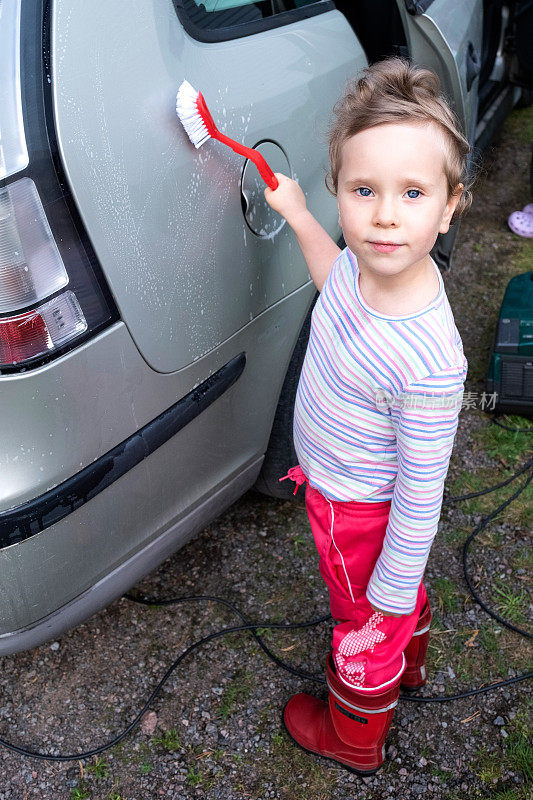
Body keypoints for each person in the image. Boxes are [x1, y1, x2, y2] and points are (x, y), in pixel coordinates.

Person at [263, 57, 471, 775]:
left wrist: (380, 598)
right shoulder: (365, 266)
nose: (384, 214)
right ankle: (405, 660)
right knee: (391, 608)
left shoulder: (428, 363)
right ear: (339, 193)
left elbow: (420, 496)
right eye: (363, 189)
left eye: (411, 192)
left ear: (449, 206)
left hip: (360, 514)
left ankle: (352, 739)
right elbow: (335, 284)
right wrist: (294, 215)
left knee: (362, 627)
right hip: (345, 495)